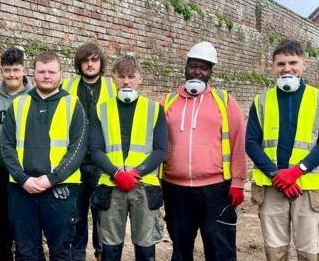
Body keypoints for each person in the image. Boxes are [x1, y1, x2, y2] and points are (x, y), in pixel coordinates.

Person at [161, 41, 247, 261]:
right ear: (186, 67)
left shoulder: (224, 101)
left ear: (210, 72)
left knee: (220, 251)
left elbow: (238, 143)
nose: (197, 71)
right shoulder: (167, 103)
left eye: (204, 67)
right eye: (193, 66)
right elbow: (157, 145)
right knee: (180, 251)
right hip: (175, 190)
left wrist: (238, 182)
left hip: (216, 190)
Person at [1, 51, 87, 260]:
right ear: (33, 73)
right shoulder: (18, 105)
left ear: (61, 74)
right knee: (25, 253)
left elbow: (78, 149)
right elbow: (7, 147)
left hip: (61, 189)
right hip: (22, 189)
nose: (46, 76)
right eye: (41, 71)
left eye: (51, 71)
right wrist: (23, 179)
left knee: (61, 252)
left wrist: (52, 178)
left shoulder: (73, 105)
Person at [89, 55, 168, 261]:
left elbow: (161, 150)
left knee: (145, 246)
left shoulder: (155, 109)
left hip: (144, 186)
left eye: (131, 76)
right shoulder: (101, 109)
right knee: (110, 248)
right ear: (113, 78)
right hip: (111, 186)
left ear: (140, 78)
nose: (126, 81)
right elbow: (95, 149)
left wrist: (135, 173)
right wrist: (117, 173)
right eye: (121, 76)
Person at [246, 39, 319, 261]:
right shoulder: (262, 101)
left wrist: (296, 172)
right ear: (272, 67)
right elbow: (251, 142)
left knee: (309, 250)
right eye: (280, 64)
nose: (287, 68)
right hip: (271, 188)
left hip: (307, 188)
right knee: (275, 251)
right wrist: (277, 175)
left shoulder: (317, 98)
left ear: (305, 64)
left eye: (293, 62)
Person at [62, 42, 116, 261]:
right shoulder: (68, 85)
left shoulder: (113, 87)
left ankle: (101, 253)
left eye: (94, 60)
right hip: (75, 161)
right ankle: (77, 255)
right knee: (76, 215)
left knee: (103, 214)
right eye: (86, 60)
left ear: (101, 62)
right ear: (80, 63)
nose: (90, 64)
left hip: (102, 161)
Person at [0, 47, 33, 261]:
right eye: (7, 70)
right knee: (0, 226)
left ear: (23, 69)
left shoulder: (35, 98)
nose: (12, 75)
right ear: (1, 71)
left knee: (25, 226)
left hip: (27, 173)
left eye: (15, 69)